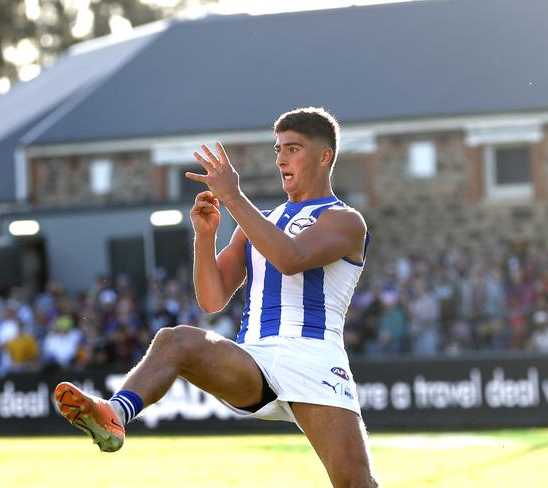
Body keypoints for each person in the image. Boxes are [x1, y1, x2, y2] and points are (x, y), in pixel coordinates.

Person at [55, 107, 379, 487]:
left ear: (324, 157)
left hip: (314, 359)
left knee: (357, 485)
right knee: (174, 340)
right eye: (278, 149)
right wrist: (205, 237)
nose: (281, 159)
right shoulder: (257, 222)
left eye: (293, 148)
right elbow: (212, 299)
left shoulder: (344, 219)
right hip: (255, 358)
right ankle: (114, 415)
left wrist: (234, 197)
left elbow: (292, 259)